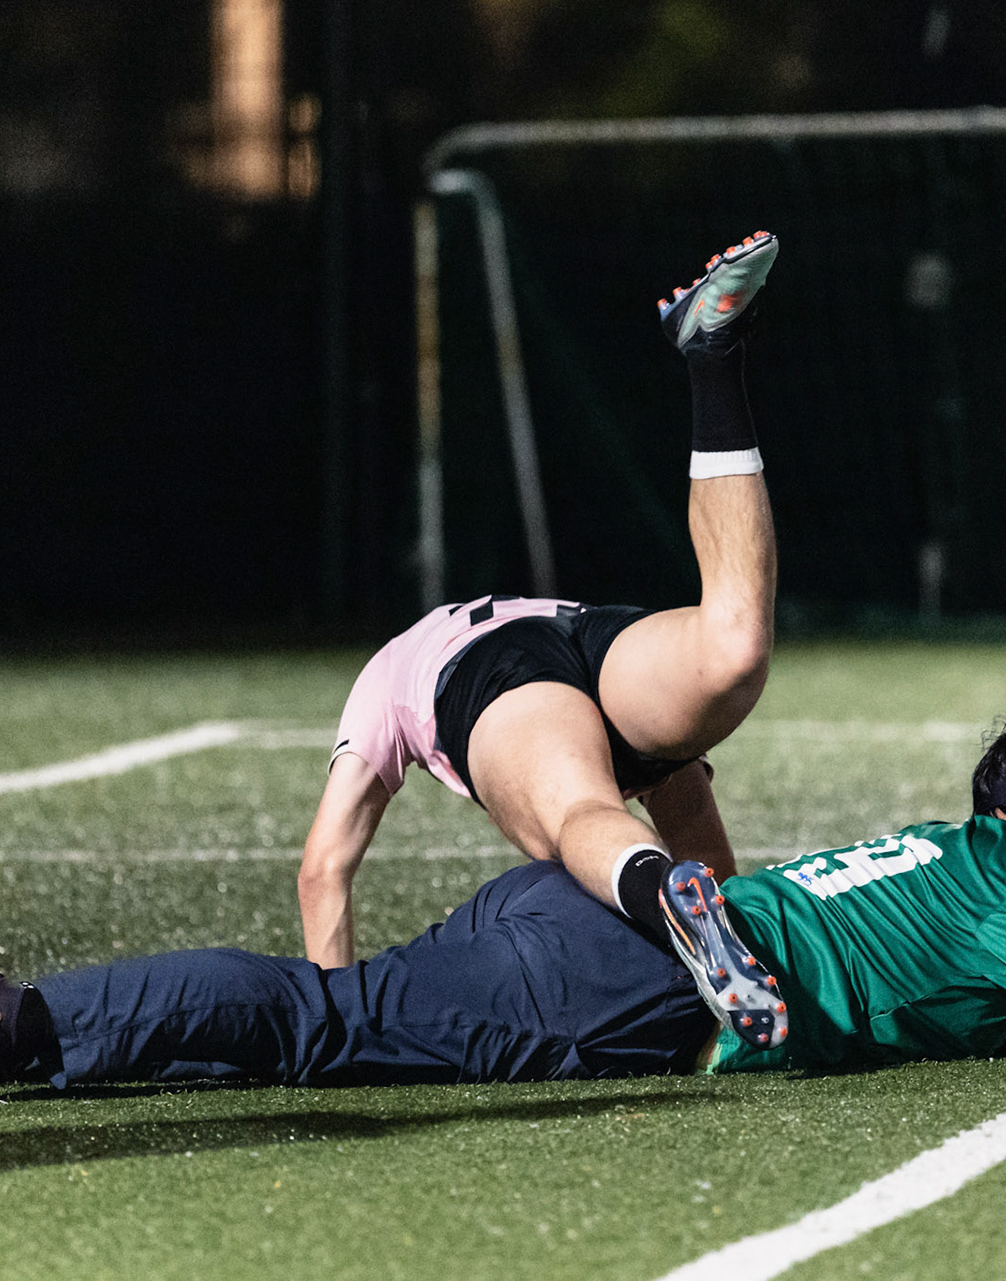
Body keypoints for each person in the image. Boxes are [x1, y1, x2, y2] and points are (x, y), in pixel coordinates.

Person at [0, 704, 1006, 1114]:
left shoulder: (943, 848)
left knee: (323, 1030)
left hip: (580, 918)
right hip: (644, 985)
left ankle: (1, 1025)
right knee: (317, 1023)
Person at [301, 231, 786, 1046]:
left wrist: (337, 1019)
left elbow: (325, 867)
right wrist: (737, 933)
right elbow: (683, 791)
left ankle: (672, 902)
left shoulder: (389, 672)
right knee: (734, 647)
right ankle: (712, 353)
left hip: (491, 673)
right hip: (585, 629)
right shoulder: (429, 649)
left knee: (578, 815)